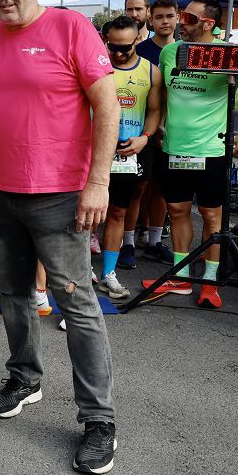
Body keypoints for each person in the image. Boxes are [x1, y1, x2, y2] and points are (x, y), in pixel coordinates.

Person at [0, 0, 120, 475]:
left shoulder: (72, 27)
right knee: (12, 295)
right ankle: (25, 377)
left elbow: (107, 104)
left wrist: (97, 182)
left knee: (76, 304)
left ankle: (99, 420)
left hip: (61, 194)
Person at [144, 0, 238, 309]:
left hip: (212, 150)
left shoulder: (229, 54)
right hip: (175, 148)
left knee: (213, 217)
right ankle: (183, 277)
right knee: (177, 212)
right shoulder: (171, 52)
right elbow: (160, 95)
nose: (179, 23)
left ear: (208, 23)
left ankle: (211, 282)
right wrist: (156, 127)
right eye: (180, 16)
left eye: (187, 18)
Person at [97, 16, 161, 299]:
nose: (119, 53)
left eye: (126, 47)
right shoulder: (95, 65)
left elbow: (155, 110)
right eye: (114, 47)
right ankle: (74, 273)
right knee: (81, 214)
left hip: (127, 151)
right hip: (93, 150)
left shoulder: (151, 72)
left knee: (118, 211)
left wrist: (144, 137)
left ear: (137, 40)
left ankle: (108, 274)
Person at [131, 0, 180, 265]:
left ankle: (154, 241)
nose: (164, 21)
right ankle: (128, 240)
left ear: (177, 18)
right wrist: (151, 129)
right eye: (159, 17)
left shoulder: (184, 51)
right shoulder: (142, 51)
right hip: (144, 130)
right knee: (139, 187)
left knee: (161, 189)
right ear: (151, 19)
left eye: (169, 16)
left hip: (174, 131)